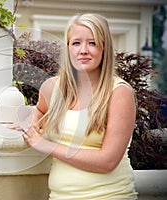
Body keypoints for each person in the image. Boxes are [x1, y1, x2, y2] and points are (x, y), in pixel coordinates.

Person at [8, 13, 138, 199]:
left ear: (105, 48)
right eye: (76, 43)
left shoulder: (119, 93)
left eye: (92, 43)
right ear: (68, 48)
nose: (83, 50)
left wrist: (45, 145)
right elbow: (39, 111)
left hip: (110, 195)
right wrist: (29, 122)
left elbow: (108, 161)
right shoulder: (52, 88)